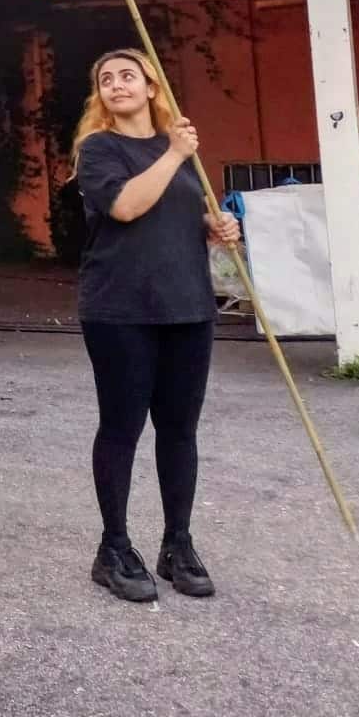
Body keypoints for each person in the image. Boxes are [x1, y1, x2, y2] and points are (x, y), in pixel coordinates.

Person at [69, 50, 241, 603]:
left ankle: (178, 543)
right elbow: (125, 206)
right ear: (101, 96)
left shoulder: (181, 152)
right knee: (121, 428)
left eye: (127, 75)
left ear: (150, 87)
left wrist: (216, 226)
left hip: (187, 305)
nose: (116, 84)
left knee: (180, 430)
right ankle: (113, 547)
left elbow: (177, 215)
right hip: (120, 309)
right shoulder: (99, 149)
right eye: (106, 78)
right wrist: (173, 152)